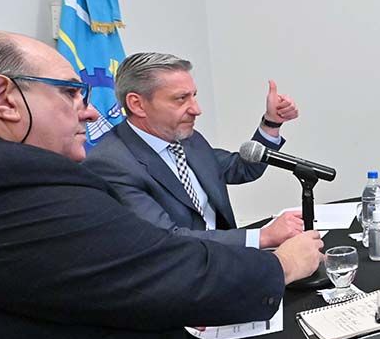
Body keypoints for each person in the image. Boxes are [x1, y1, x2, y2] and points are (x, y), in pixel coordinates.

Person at [0, 30, 324, 339]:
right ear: (3, 98)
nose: (90, 111)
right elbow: (161, 252)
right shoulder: (46, 180)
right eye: (70, 93)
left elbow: (235, 168)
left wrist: (269, 126)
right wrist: (279, 260)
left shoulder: (187, 141)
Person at [86, 53, 303, 249]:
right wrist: (262, 237)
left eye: (194, 96)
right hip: (179, 272)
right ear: (137, 104)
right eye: (181, 99)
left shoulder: (187, 138)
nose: (196, 109)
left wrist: (271, 123)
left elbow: (242, 169)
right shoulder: (111, 164)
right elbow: (166, 239)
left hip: (225, 260)